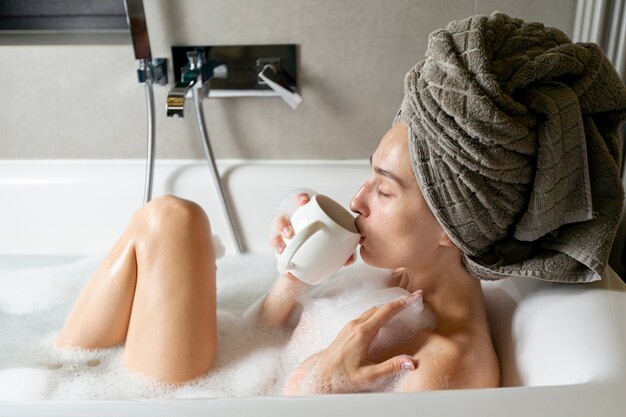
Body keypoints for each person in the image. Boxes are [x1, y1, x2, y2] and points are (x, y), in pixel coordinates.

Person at [56, 12, 626, 392]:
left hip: (190, 399)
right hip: (217, 380)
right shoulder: (398, 280)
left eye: (383, 188)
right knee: (168, 220)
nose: (357, 199)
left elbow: (278, 383)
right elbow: (265, 331)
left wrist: (312, 390)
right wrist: (293, 282)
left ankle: (58, 376)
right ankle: (58, 371)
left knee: (172, 221)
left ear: (451, 228)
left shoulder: (445, 365)